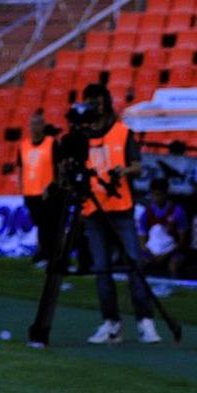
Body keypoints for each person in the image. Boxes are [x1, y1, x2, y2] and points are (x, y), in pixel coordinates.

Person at [77, 82, 160, 345]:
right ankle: (111, 323)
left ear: (106, 102)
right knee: (102, 269)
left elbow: (137, 165)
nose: (94, 106)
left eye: (97, 100)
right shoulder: (81, 136)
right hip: (93, 209)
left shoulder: (122, 132)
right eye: (90, 101)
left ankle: (145, 321)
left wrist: (123, 172)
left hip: (120, 208)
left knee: (134, 264)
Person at [17, 109, 58, 268]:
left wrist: (54, 185)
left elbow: (57, 166)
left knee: (49, 224)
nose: (35, 127)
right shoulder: (23, 146)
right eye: (33, 124)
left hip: (47, 192)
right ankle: (44, 252)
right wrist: (21, 186)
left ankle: (48, 253)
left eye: (38, 123)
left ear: (43, 125)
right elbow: (21, 167)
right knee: (40, 224)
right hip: (30, 192)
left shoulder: (51, 143)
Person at [139, 177, 188, 278]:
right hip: (152, 251)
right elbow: (142, 238)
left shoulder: (177, 211)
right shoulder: (146, 212)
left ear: (165, 194)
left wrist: (165, 254)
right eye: (153, 195)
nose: (156, 198)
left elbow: (182, 240)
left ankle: (174, 287)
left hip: (172, 251)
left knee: (173, 265)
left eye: (158, 195)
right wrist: (149, 252)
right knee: (140, 262)